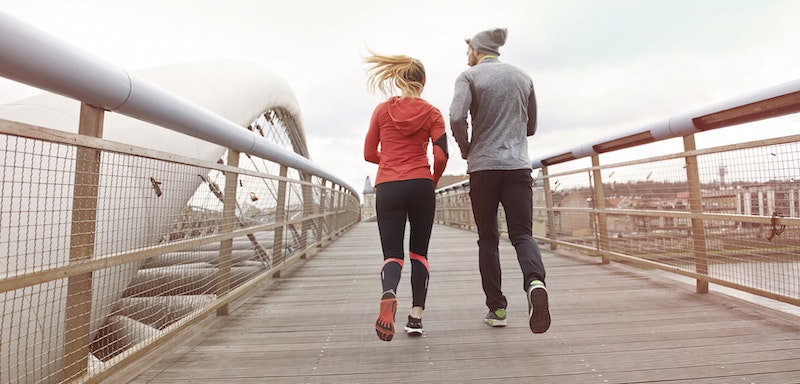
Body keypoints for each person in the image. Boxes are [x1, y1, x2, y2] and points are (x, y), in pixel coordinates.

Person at [449, 27, 551, 334]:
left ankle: (497, 308)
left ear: (478, 51)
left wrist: (467, 148)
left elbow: (455, 117)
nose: (467, 55)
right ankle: (534, 282)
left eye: (468, 50)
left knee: (488, 238)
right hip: (518, 167)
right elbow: (531, 127)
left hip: (483, 168)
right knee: (522, 234)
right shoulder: (523, 77)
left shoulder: (469, 77)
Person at [363, 52, 449, 341]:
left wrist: (389, 162)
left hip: (387, 187)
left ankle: (389, 292)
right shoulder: (433, 113)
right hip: (420, 185)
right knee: (418, 254)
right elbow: (441, 154)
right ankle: (415, 318)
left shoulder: (381, 110)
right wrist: (432, 180)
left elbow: (367, 153)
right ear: (424, 82)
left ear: (399, 79)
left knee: (393, 255)